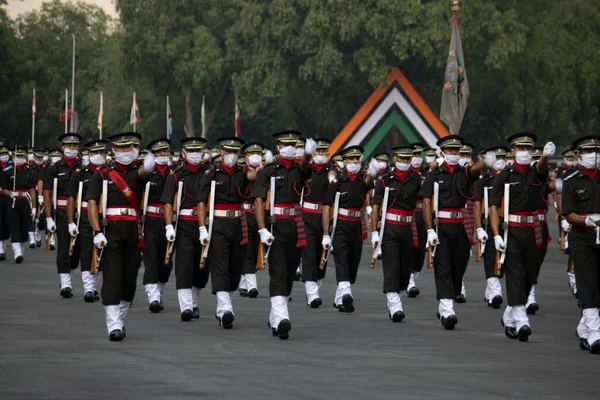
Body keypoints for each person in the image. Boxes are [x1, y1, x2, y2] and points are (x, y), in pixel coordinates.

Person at [86, 132, 154, 341]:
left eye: (129, 148)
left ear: (134, 150)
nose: (125, 152)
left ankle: (120, 319)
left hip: (133, 232)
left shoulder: (137, 173)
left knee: (129, 278)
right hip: (111, 231)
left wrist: (152, 166)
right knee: (113, 277)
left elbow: (145, 175)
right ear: (113, 150)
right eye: (121, 149)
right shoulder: (104, 173)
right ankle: (113, 324)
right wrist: (96, 231)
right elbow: (91, 203)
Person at [489, 133, 555, 342]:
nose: (525, 152)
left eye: (529, 148)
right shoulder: (505, 175)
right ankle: (522, 320)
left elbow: (543, 170)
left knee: (530, 275)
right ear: (514, 151)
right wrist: (496, 234)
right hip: (513, 231)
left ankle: (510, 315)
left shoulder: (536, 173)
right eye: (521, 148)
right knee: (515, 273)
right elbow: (493, 206)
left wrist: (545, 157)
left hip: (535, 230)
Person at [252, 130, 316, 339]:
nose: (290, 148)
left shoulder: (299, 169)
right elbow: (259, 201)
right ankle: (281, 319)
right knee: (278, 271)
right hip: (276, 226)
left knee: (289, 274)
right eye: (286, 144)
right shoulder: (268, 171)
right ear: (278, 147)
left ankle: (274, 316)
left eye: (294, 145)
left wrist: (308, 154)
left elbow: (306, 168)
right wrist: (262, 229)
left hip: (296, 226)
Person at [419, 135, 486, 330]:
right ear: (442, 153)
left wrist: (486, 161)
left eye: (457, 151)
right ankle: (447, 309)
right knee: (443, 267)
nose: (454, 154)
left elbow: (474, 171)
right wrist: (430, 229)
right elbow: (426, 202)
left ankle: (448, 299)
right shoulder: (434, 174)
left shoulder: (462, 172)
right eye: (450, 151)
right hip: (441, 226)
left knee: (460, 263)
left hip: (459, 225)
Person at [198, 137, 256, 329]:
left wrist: (254, 164)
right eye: (228, 151)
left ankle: (224, 306)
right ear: (221, 152)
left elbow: (253, 178)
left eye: (235, 152)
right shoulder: (211, 173)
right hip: (218, 224)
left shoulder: (242, 172)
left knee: (235, 266)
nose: (231, 155)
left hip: (238, 223)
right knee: (220, 265)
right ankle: (225, 309)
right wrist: (202, 228)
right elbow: (201, 202)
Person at [322, 145, 379, 313]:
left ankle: (340, 298)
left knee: (353, 266)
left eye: (357, 159)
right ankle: (346, 292)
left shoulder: (363, 179)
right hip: (340, 226)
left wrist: (374, 172)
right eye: (352, 159)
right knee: (341, 260)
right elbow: (326, 207)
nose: (355, 162)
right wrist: (326, 234)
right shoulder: (337, 182)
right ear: (345, 162)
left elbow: (369, 183)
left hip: (357, 226)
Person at [161, 137, 211, 322]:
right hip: (184, 224)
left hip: (204, 224)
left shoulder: (209, 173)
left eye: (198, 151)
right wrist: (168, 226)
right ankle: (186, 306)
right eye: (191, 151)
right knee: (184, 265)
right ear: (184, 154)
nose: (195, 155)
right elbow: (167, 203)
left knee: (203, 267)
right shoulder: (176, 175)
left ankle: (194, 301)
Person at [371, 144, 422, 321]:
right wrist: (375, 231)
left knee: (405, 268)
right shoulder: (385, 180)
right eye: (402, 159)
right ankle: (394, 304)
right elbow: (376, 205)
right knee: (391, 265)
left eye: (408, 159)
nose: (405, 162)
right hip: (390, 228)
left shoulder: (416, 179)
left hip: (408, 227)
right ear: (395, 159)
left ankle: (396, 299)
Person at [561, 135, 600, 353]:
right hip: (582, 238)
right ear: (579, 156)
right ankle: (595, 331)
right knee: (586, 283)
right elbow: (568, 214)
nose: (594, 156)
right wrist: (586, 220)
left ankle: (585, 327)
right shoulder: (572, 180)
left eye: (597, 151)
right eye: (588, 152)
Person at [66, 139, 107, 303]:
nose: (98, 156)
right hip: (84, 215)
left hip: (104, 216)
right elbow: (71, 198)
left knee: (102, 251)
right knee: (87, 250)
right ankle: (89, 288)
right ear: (89, 155)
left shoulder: (109, 173)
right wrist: (71, 221)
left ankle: (96, 286)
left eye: (101, 153)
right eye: (94, 153)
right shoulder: (80, 174)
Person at [43, 133, 83, 298]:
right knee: (64, 247)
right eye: (69, 146)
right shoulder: (54, 168)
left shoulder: (83, 168)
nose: (72, 149)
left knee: (77, 250)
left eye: (75, 146)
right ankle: (65, 283)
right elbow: (47, 193)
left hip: (79, 214)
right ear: (63, 148)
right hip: (60, 212)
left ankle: (69, 272)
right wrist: (48, 217)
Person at [141, 139, 174, 313]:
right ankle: (153, 296)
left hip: (169, 221)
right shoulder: (148, 173)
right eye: (159, 152)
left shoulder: (174, 172)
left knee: (166, 262)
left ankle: (159, 292)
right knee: (151, 258)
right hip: (151, 221)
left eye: (165, 152)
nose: (162, 155)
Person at [473, 146, 509, 308]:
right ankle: (495, 291)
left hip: (508, 223)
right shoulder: (483, 182)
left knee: (507, 257)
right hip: (489, 223)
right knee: (490, 256)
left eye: (503, 158)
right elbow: (476, 205)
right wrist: (479, 228)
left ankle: (491, 290)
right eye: (498, 158)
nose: (500, 161)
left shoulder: (511, 179)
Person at [301, 138, 334, 308]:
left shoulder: (331, 169)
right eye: (318, 151)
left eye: (324, 151)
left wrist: (332, 179)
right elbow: (302, 168)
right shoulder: (307, 169)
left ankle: (316, 287)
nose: (321, 154)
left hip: (325, 217)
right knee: (309, 253)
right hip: (307, 215)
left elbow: (333, 174)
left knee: (322, 254)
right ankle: (311, 292)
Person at [238, 141, 266, 298]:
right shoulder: (244, 169)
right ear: (246, 156)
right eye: (252, 154)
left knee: (256, 249)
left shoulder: (264, 170)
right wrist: (266, 171)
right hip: (245, 213)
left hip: (260, 214)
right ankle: (252, 286)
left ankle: (243, 282)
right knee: (247, 249)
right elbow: (251, 176)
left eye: (258, 154)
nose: (255, 157)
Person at [5, 146, 37, 263]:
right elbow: (4, 188)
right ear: (13, 157)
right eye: (17, 156)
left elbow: (32, 190)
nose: (19, 158)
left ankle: (21, 250)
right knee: (15, 227)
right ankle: (17, 252)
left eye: (22, 156)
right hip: (13, 202)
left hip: (25, 201)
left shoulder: (30, 172)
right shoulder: (8, 171)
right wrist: (10, 193)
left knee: (24, 229)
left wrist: (34, 207)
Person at [407, 142, 428, 297]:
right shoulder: (403, 174)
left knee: (420, 249)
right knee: (409, 246)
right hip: (408, 213)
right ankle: (409, 280)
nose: (416, 158)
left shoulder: (427, 173)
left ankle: (415, 272)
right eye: (413, 154)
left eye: (418, 155)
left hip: (422, 213)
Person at [0, 142, 12, 260]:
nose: (4, 155)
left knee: (6, 223)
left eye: (5, 153)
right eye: (1, 153)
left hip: (8, 198)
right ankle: (0, 249)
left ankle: (3, 245)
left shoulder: (12, 167)